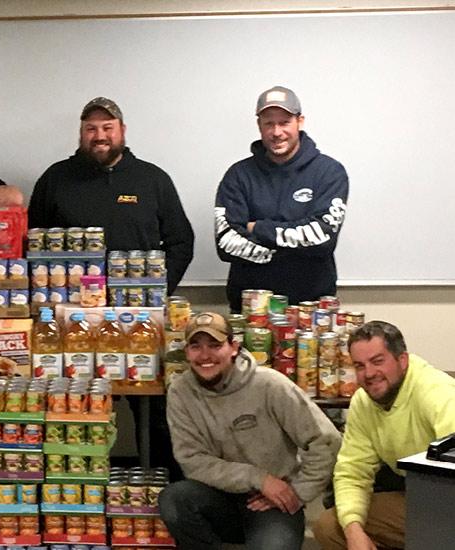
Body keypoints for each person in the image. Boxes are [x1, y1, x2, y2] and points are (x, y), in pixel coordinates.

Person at [160, 312, 340, 549]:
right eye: (196, 347)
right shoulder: (180, 392)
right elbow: (192, 461)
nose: (205, 355)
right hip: (216, 496)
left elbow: (326, 441)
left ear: (233, 347)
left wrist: (299, 491)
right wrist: (257, 478)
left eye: (215, 345)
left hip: (274, 503)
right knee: (173, 500)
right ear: (187, 352)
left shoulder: (271, 384)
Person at [27, 97, 194, 294]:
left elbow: (181, 241)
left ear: (122, 131)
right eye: (91, 129)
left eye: (107, 128)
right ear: (81, 134)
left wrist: (160, 289)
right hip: (70, 302)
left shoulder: (153, 179)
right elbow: (31, 241)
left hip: (138, 302)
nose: (99, 136)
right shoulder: (55, 178)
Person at [312, 321, 455, 550]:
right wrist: (353, 532)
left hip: (446, 500)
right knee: (330, 527)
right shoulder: (363, 401)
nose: (369, 374)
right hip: (416, 495)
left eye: (378, 361)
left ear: (402, 360)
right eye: (359, 365)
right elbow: (352, 473)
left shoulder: (437, 393)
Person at [214, 85, 350, 312]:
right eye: (269, 123)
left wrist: (257, 228)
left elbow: (322, 240)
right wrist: (295, 241)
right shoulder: (238, 175)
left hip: (311, 309)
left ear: (300, 122)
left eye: (284, 122)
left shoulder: (329, 173)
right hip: (250, 309)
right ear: (259, 126)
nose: (276, 132)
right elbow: (226, 244)